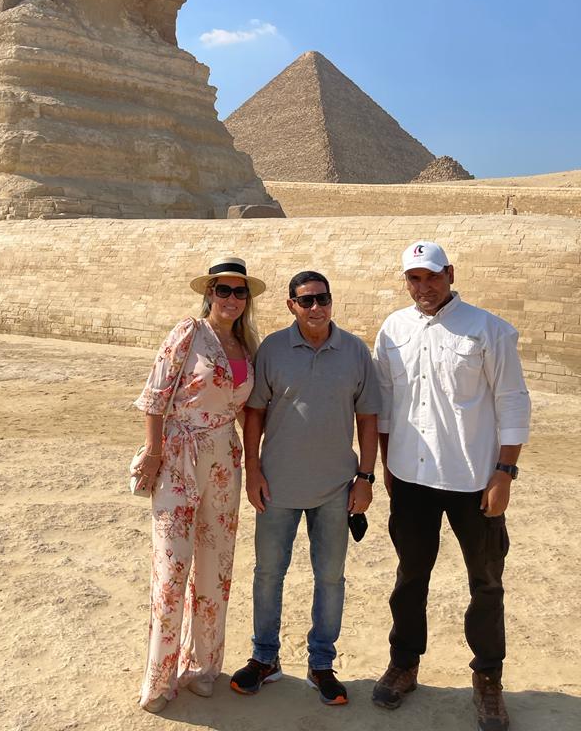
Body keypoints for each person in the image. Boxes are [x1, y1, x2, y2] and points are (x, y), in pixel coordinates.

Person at [371, 241, 531, 731]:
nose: (424, 287)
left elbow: (512, 401)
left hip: (473, 481)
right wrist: (387, 464)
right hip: (411, 478)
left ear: (450, 274)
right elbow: (385, 402)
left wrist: (504, 473)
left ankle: (488, 679)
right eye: (414, 278)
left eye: (432, 276)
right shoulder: (393, 329)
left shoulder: (488, 329)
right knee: (409, 578)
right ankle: (404, 665)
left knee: (486, 583)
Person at [231, 270, 380, 706]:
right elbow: (254, 414)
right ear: (291, 305)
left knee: (330, 578)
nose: (316, 308)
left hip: (335, 488)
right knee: (268, 574)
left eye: (323, 299)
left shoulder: (355, 351)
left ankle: (321, 664)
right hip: (276, 486)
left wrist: (366, 478)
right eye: (307, 301)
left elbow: (368, 418)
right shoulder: (273, 349)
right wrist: (253, 470)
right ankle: (264, 658)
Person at [133, 256, 266, 713]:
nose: (231, 298)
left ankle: (203, 666)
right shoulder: (188, 333)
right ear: (209, 293)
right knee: (172, 571)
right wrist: (154, 453)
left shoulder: (247, 346)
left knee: (216, 566)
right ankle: (159, 679)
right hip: (178, 458)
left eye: (239, 291)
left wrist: (258, 461)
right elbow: (155, 396)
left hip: (225, 461)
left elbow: (247, 412)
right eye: (222, 289)